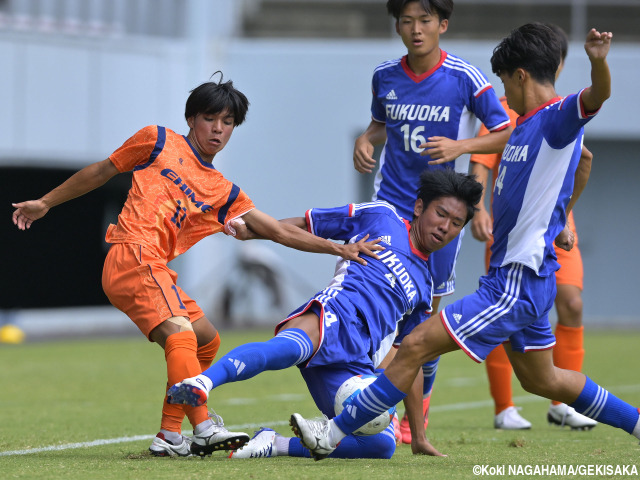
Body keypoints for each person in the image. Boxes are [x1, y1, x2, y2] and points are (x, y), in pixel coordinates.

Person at [289, 25, 640, 461]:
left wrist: (599, 61)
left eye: (504, 83)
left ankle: (333, 433)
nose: (502, 95)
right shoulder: (526, 126)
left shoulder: (556, 115)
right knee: (543, 380)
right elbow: (576, 159)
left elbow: (596, 99)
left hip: (516, 281)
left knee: (415, 343)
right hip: (523, 279)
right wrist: (557, 215)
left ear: (521, 76)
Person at [11, 74, 382, 458]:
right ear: (192, 119)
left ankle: (169, 435)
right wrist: (46, 202)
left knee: (206, 338)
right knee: (181, 336)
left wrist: (338, 248)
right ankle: (202, 427)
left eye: (228, 123)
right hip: (132, 253)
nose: (218, 129)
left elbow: (275, 230)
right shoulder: (157, 140)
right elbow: (103, 170)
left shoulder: (224, 191)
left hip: (155, 268)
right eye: (210, 118)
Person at [166, 169, 483, 459]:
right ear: (419, 208)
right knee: (284, 350)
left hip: (355, 360)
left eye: (456, 223)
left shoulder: (424, 287)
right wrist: (253, 232)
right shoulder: (382, 217)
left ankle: (273, 443)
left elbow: (411, 359)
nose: (445, 227)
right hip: (335, 314)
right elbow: (308, 224)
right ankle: (203, 383)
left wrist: (418, 435)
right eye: (441, 214)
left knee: (382, 442)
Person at [352, 0, 512, 445]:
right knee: (378, 305)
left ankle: (414, 417)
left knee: (426, 317)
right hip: (391, 208)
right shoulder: (385, 75)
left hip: (442, 214)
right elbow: (380, 124)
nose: (416, 29)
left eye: (425, 20)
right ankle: (357, 398)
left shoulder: (464, 77)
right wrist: (366, 139)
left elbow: (505, 129)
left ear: (442, 24)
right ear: (397, 26)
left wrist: (461, 147)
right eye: (406, 21)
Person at [470, 23, 596, 430]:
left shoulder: (558, 113)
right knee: (502, 312)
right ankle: (504, 407)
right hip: (512, 224)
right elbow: (481, 163)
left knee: (571, 304)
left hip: (551, 223)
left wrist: (564, 215)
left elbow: (586, 160)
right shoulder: (509, 108)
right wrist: (478, 208)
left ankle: (563, 402)